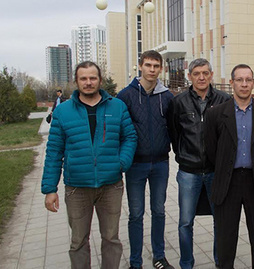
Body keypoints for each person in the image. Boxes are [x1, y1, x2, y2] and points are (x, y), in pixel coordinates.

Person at [41, 61, 137, 269]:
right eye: (83, 78)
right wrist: (50, 189)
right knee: (78, 242)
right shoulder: (63, 112)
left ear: (100, 80)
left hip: (110, 186)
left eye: (93, 78)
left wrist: (121, 163)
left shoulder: (117, 106)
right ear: (76, 81)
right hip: (77, 188)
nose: (88, 82)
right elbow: (54, 151)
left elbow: (129, 137)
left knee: (111, 238)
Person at [204, 64, 254, 269]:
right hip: (228, 182)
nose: (244, 84)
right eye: (239, 80)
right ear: (232, 83)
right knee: (226, 238)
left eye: (248, 80)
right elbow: (212, 151)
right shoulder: (215, 115)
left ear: (253, 83)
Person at [167, 58, 231, 269]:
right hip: (189, 172)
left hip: (216, 171)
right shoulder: (179, 102)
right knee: (186, 222)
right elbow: (175, 134)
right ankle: (186, 263)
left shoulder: (224, 99)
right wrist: (184, 156)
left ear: (211, 75)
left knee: (220, 221)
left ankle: (221, 262)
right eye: (197, 73)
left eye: (205, 73)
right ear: (190, 76)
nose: (201, 77)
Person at [117, 50, 175, 269]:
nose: (152, 70)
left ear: (161, 69)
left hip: (161, 163)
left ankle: (159, 257)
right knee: (136, 214)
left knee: (159, 211)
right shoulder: (125, 96)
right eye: (148, 65)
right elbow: (120, 131)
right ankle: (135, 262)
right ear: (140, 66)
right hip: (136, 165)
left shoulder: (167, 97)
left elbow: (173, 127)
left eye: (156, 66)